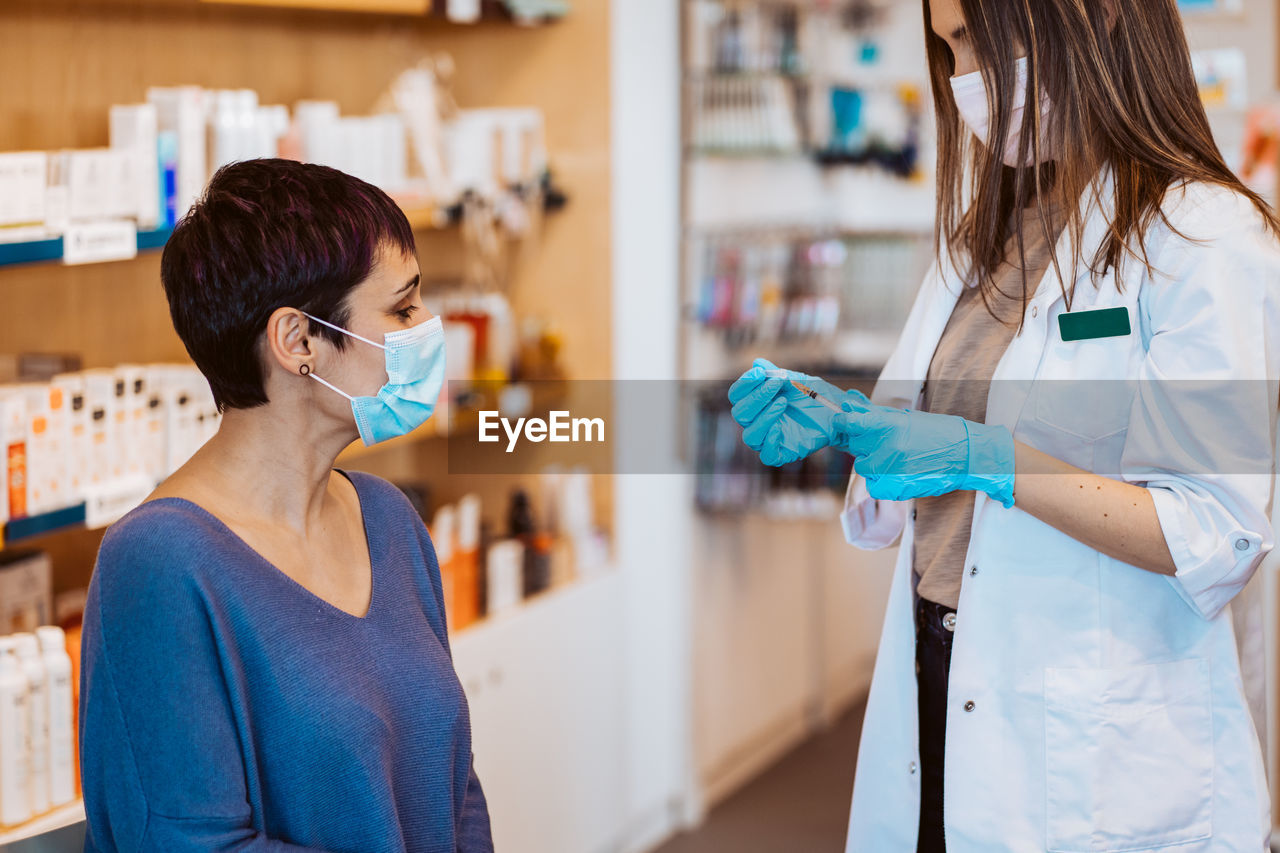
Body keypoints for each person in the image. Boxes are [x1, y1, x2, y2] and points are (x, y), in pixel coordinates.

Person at [730, 0, 1280, 850]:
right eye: (948, 49)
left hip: (1089, 738)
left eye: (976, 42)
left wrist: (991, 458)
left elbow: (1214, 533)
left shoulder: (1203, 238)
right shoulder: (982, 238)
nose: (964, 82)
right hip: (938, 674)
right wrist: (844, 424)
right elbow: (917, 442)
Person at [79, 159, 494, 852]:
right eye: (401, 308)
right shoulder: (159, 566)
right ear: (298, 341)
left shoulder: (389, 520)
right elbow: (194, 845)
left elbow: (456, 789)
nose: (429, 327)